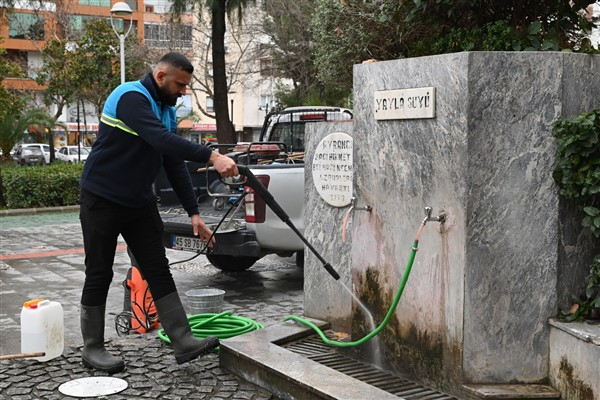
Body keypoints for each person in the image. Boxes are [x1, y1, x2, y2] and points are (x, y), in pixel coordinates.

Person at [78, 52, 238, 373]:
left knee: (157, 268)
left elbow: (172, 161)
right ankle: (93, 347)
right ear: (161, 77)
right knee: (99, 271)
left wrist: (194, 212)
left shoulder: (166, 109)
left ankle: (182, 340)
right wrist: (212, 156)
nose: (183, 91)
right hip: (102, 198)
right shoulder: (129, 97)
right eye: (180, 84)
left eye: (186, 86)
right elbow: (158, 139)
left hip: (139, 202)